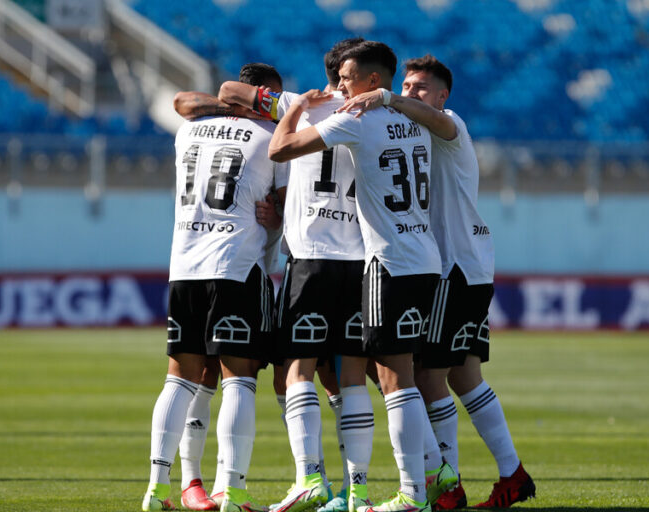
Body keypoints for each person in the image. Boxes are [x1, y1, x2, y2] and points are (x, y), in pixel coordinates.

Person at [339, 55, 535, 509]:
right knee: (465, 376)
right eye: (406, 85)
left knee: (426, 373)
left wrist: (387, 98)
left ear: (443, 96)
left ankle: (449, 484)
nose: (410, 92)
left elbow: (433, 121)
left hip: (453, 267)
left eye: (420, 87)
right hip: (464, 264)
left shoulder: (449, 124)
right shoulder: (412, 131)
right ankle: (511, 473)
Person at [268, 40, 457, 512]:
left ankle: (401, 487)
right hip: (413, 258)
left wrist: (298, 108)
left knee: (360, 376)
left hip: (374, 261)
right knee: (363, 373)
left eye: (347, 78)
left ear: (371, 80)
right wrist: (393, 99)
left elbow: (279, 148)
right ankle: (369, 488)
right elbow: (446, 126)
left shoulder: (350, 116)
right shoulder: (420, 119)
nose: (340, 85)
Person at [219, 37, 376, 512]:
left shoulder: (299, 104)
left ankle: (310, 477)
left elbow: (229, 92)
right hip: (361, 261)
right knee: (351, 377)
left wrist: (292, 104)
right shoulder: (375, 117)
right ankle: (358, 489)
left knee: (295, 371)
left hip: (311, 260)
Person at [141, 62, 287, 512]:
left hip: (184, 267)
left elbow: (181, 102)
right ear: (260, 96)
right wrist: (277, 216)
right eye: (272, 100)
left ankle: (157, 488)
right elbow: (286, 209)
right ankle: (232, 490)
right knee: (239, 379)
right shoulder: (272, 137)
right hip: (236, 267)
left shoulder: (189, 131)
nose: (276, 109)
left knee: (179, 379)